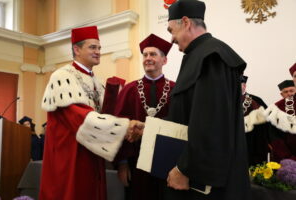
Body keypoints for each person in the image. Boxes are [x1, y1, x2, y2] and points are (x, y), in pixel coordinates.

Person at [152, 0, 250, 199]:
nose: (171, 39)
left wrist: (184, 168)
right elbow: (190, 113)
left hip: (203, 181)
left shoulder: (210, 57)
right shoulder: (200, 53)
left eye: (172, 30)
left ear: (186, 22)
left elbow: (211, 123)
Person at [39, 26, 143, 200]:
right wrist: (126, 127)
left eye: (99, 48)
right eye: (93, 47)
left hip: (92, 155)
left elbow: (107, 115)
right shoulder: (62, 76)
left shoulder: (97, 82)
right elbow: (79, 117)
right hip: (70, 157)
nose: (98, 52)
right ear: (76, 49)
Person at [113, 33, 175, 200]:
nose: (148, 58)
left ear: (164, 60)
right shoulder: (129, 90)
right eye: (145, 54)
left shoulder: (176, 90)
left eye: (153, 54)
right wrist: (122, 164)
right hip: (136, 163)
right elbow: (118, 127)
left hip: (168, 162)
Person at [240, 75, 269, 166]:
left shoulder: (256, 100)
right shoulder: (225, 100)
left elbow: (267, 123)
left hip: (253, 143)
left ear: (244, 86)